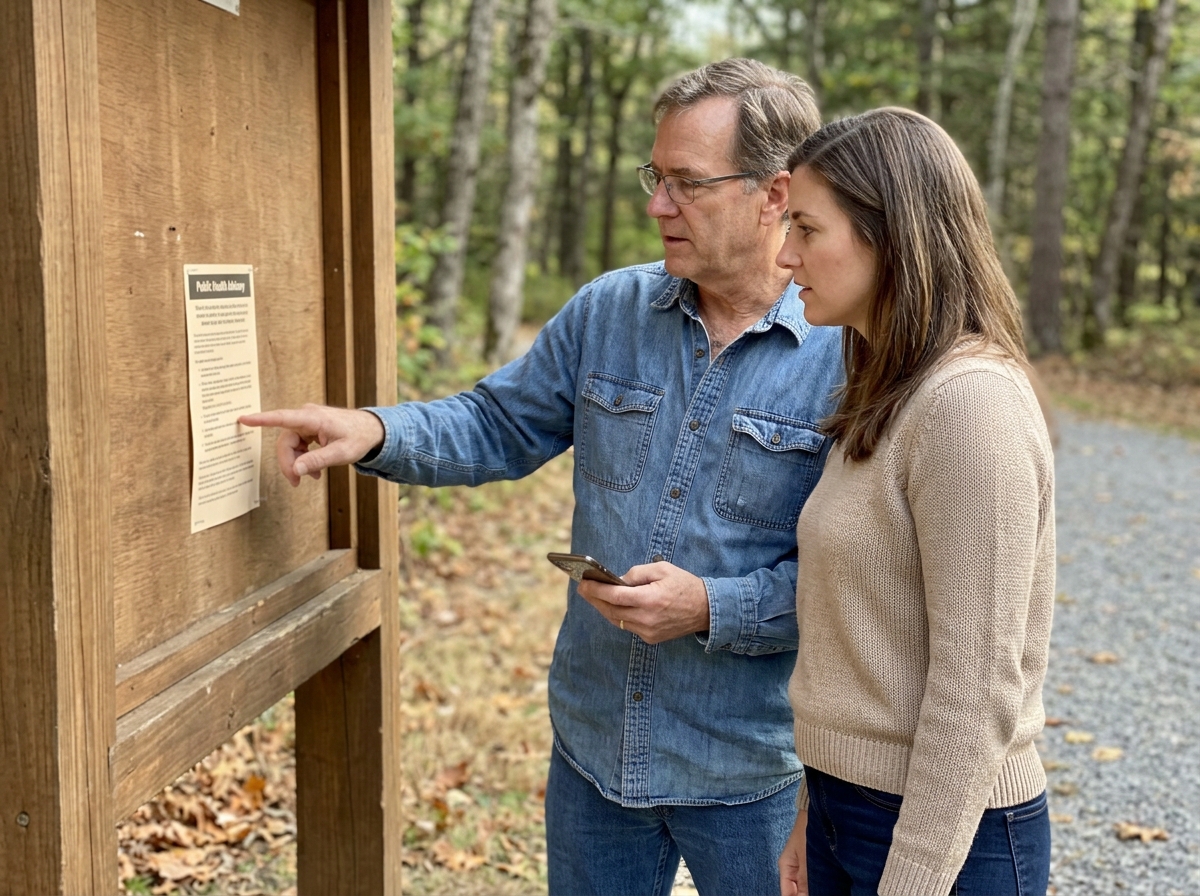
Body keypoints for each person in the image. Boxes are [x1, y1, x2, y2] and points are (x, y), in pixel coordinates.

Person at [240, 59, 844, 896]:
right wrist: (373, 429)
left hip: (753, 773)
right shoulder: (609, 310)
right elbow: (497, 423)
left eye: (686, 183)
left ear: (775, 195)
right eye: (654, 177)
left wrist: (711, 606)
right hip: (595, 750)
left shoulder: (847, 355)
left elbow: (856, 582)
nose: (656, 205)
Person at [773, 106, 1054, 896]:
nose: (785, 254)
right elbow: (867, 647)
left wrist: (916, 877)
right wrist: (811, 803)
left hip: (945, 837)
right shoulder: (886, 391)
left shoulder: (971, 407)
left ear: (887, 233)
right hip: (846, 811)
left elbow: (976, 690)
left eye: (806, 228)